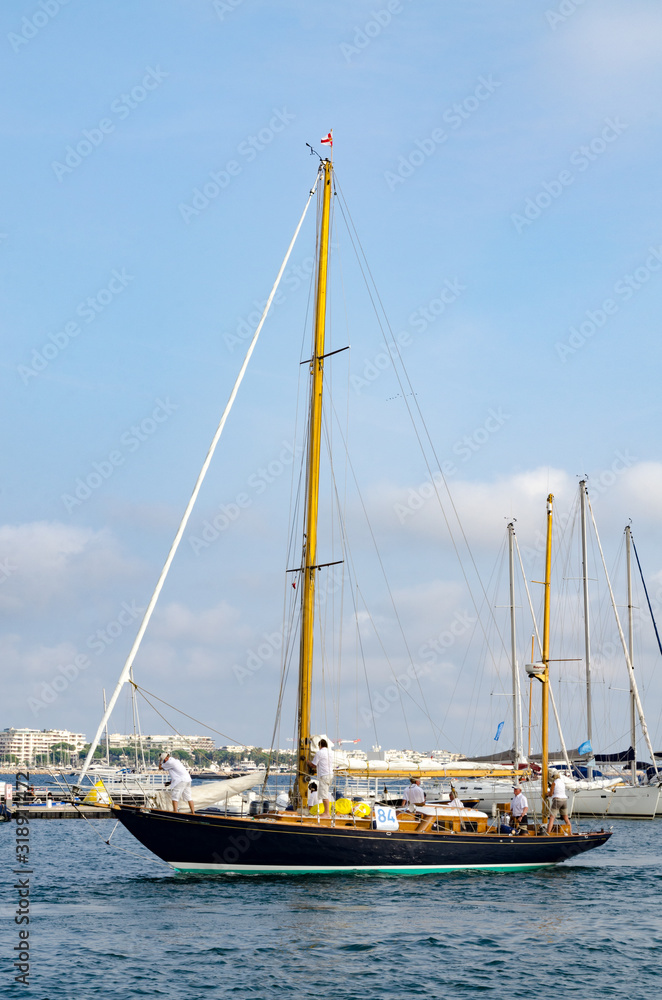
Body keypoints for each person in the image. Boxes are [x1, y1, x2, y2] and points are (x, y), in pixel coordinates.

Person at [310, 739, 334, 817]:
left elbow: (314, 765)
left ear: (320, 745)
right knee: (324, 793)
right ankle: (326, 812)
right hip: (330, 775)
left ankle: (327, 813)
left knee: (324, 795)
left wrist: (307, 762)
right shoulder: (330, 752)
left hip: (324, 775)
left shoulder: (320, 752)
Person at [546, 768, 569, 834]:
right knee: (566, 819)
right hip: (564, 800)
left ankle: (548, 833)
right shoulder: (562, 782)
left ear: (554, 777)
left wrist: (546, 794)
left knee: (552, 818)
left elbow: (550, 794)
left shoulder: (554, 783)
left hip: (557, 800)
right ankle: (570, 832)